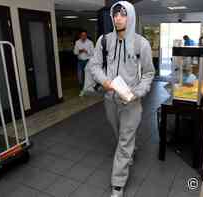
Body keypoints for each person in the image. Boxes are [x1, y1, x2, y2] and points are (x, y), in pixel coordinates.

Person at [87, 1, 155, 197]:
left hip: (131, 103)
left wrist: (137, 93)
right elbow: (94, 66)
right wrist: (104, 81)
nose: (118, 18)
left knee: (125, 141)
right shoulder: (104, 41)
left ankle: (117, 185)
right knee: (119, 134)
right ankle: (129, 150)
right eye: (115, 14)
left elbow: (149, 74)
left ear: (130, 16)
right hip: (109, 99)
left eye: (123, 14)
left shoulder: (141, 43)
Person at [73, 30, 94, 94]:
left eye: (85, 35)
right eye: (82, 35)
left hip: (87, 61)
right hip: (80, 62)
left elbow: (93, 53)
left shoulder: (90, 42)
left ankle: (87, 89)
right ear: (80, 36)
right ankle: (82, 89)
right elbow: (75, 52)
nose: (83, 36)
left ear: (86, 36)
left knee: (87, 76)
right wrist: (79, 51)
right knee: (80, 76)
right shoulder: (77, 42)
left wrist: (86, 51)